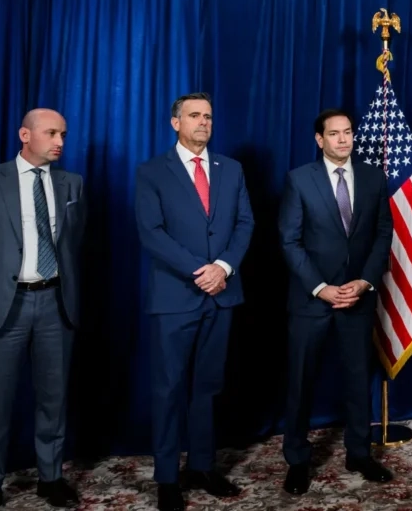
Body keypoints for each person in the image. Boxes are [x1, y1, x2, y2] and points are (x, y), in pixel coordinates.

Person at [0, 109, 85, 510]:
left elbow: (75, 243)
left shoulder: (72, 183)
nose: (60, 141)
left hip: (55, 304)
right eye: (51, 133)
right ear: (25, 135)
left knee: (53, 399)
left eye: (63, 134)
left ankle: (51, 478)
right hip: (3, 306)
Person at [134, 92, 255, 511]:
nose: (203, 122)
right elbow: (152, 233)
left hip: (222, 295)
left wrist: (223, 266)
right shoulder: (152, 172)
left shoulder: (232, 169)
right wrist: (199, 272)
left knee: (209, 388)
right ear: (175, 123)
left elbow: (245, 223)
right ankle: (168, 477)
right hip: (175, 297)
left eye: (208, 116)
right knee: (168, 390)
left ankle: (203, 466)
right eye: (194, 116)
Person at [277, 109, 394, 495]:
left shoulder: (374, 178)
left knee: (358, 380)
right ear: (319, 139)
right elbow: (289, 242)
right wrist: (320, 287)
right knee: (300, 381)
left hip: (357, 297)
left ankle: (359, 453)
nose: (343, 140)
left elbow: (382, 235)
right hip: (312, 300)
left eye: (348, 133)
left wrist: (364, 281)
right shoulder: (299, 179)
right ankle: (297, 459)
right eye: (335, 134)